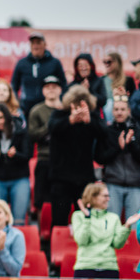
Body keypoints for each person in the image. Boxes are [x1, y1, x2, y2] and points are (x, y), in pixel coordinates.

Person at [48, 86, 107, 226]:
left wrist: (89, 121)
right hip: (61, 177)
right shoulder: (59, 115)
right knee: (59, 219)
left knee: (86, 219)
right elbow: (52, 128)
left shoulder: (92, 117)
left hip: (84, 178)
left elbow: (104, 133)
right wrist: (70, 120)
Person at [70, 183, 140, 279]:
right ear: (93, 197)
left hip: (109, 267)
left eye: (108, 196)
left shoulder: (113, 217)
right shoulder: (78, 216)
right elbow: (82, 241)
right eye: (105, 196)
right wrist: (87, 218)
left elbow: (118, 244)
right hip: (85, 267)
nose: (108, 199)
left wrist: (127, 226)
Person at [99, 94, 140, 220]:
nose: (119, 112)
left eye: (122, 109)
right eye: (116, 109)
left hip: (134, 185)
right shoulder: (107, 131)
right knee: (111, 224)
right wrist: (118, 147)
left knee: (135, 226)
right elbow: (99, 157)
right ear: (112, 111)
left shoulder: (138, 131)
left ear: (128, 111)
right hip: (113, 184)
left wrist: (130, 144)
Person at [0, 104, 32, 225]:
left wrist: (15, 155)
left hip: (19, 178)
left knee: (18, 220)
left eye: (1, 118)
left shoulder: (20, 131)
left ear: (7, 117)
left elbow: (27, 155)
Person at [27, 75, 63, 216]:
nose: (51, 90)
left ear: (60, 89)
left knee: (61, 199)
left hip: (63, 160)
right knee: (41, 200)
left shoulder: (66, 109)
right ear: (43, 91)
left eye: (54, 87)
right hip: (44, 158)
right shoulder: (36, 110)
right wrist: (52, 124)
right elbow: (32, 135)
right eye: (47, 87)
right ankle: (42, 229)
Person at [11, 32, 66, 118]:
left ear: (45, 44)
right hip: (26, 107)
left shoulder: (55, 63)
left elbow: (63, 84)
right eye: (33, 43)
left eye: (38, 43)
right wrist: (16, 105)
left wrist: (61, 101)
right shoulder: (21, 63)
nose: (35, 46)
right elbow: (14, 86)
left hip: (48, 107)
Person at [101, 51, 137, 122]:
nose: (106, 64)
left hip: (122, 114)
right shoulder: (101, 80)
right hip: (105, 116)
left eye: (109, 62)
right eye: (104, 62)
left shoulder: (128, 80)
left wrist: (123, 96)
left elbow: (133, 100)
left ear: (117, 63)